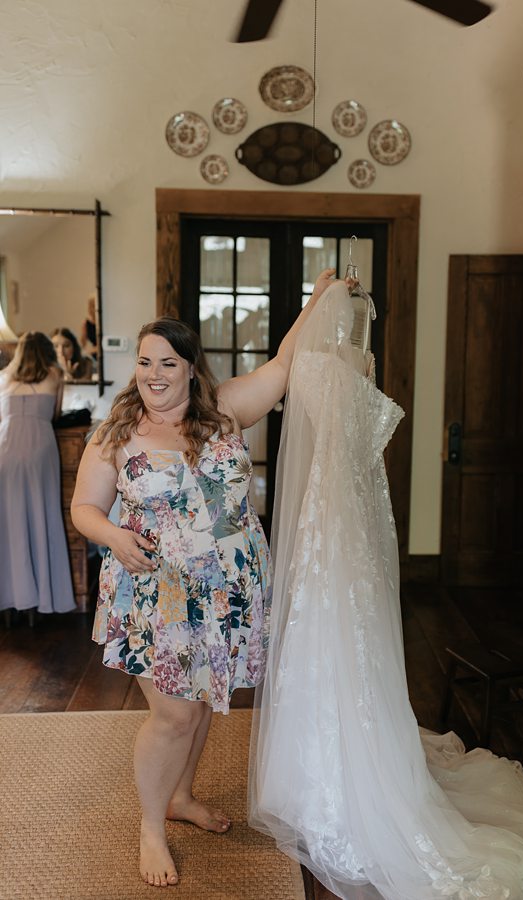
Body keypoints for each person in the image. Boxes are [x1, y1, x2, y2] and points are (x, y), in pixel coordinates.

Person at [248, 281, 523, 900]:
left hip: (353, 521)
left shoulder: (346, 363)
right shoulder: (326, 365)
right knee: (335, 635)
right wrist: (320, 299)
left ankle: (336, 773)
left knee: (350, 638)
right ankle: (327, 775)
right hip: (343, 519)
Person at [70, 268, 337, 889]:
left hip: (227, 592)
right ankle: (151, 826)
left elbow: (284, 361)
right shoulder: (116, 434)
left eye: (167, 363)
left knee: (204, 700)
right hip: (156, 594)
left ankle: (181, 795)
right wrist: (113, 536)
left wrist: (318, 300)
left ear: (192, 367)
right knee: (174, 716)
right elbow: (84, 508)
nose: (153, 375)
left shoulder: (224, 413)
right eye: (144, 362)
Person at [0, 332, 76, 619]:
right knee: (42, 515)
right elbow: (55, 414)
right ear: (47, 351)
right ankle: (43, 596)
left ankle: (10, 600)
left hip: (5, 447)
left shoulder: (4, 377)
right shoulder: (55, 374)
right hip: (39, 447)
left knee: (9, 522)